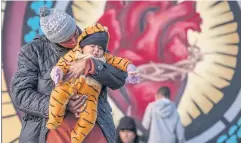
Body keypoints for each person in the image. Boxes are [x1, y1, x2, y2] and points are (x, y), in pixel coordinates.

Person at [10, 6, 139, 143]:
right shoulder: (33, 51)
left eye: (74, 33)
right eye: (66, 40)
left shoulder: (92, 40)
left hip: (93, 128)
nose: (73, 41)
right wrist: (61, 105)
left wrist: (93, 66)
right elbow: (20, 94)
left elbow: (118, 79)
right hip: (50, 133)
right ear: (51, 39)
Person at [47, 23, 137, 143]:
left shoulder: (104, 58)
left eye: (100, 48)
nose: (96, 51)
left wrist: (130, 67)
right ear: (83, 46)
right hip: (68, 87)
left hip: (89, 97)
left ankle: (77, 137)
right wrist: (57, 71)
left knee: (89, 118)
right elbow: (62, 64)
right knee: (57, 95)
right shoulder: (75, 54)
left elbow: (119, 63)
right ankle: (54, 119)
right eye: (92, 46)